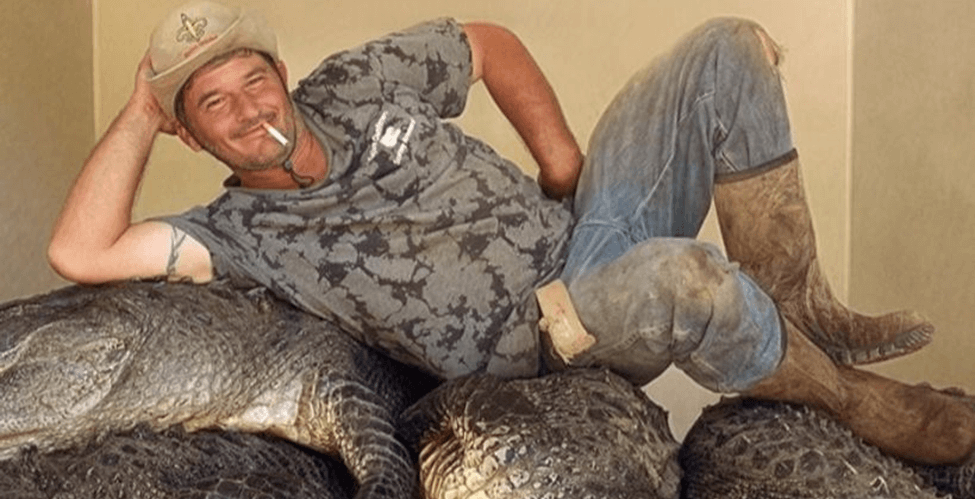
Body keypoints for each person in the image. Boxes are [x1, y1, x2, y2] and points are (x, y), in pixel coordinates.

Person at [48, 1, 975, 465]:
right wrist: (140, 105)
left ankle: (798, 310)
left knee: (725, 50)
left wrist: (561, 157)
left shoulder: (352, 81)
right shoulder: (236, 231)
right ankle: (850, 400)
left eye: (253, 80)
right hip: (552, 328)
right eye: (212, 103)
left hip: (585, 231)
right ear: (189, 129)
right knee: (688, 278)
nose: (249, 109)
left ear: (281, 74)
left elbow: (485, 42)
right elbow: (82, 252)